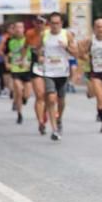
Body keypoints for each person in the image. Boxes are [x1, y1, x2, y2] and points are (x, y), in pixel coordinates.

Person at [38, 12, 78, 141]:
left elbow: (76, 53)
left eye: (57, 23)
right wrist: (40, 56)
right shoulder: (44, 34)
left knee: (61, 100)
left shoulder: (67, 34)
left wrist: (66, 47)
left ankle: (59, 118)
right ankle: (54, 129)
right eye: (52, 23)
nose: (55, 26)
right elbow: (38, 49)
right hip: (49, 72)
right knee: (50, 98)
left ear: (61, 23)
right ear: (49, 23)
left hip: (63, 72)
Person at [80, 17, 102, 133]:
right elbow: (81, 52)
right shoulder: (90, 40)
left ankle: (101, 112)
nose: (101, 29)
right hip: (96, 73)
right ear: (94, 28)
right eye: (98, 27)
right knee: (100, 99)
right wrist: (84, 57)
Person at [1, 21, 33, 124]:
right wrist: (6, 63)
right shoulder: (9, 41)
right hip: (15, 69)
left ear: (24, 29)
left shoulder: (28, 39)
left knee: (27, 94)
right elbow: (5, 53)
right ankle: (19, 114)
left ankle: (24, 98)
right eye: (17, 28)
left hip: (27, 69)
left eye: (21, 27)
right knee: (18, 91)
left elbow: (35, 52)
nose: (19, 29)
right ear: (13, 30)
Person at [27, 17, 48, 134]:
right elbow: (26, 47)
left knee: (48, 96)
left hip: (52, 68)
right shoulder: (30, 34)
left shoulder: (51, 33)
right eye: (37, 22)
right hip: (36, 67)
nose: (39, 25)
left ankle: (45, 113)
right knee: (39, 95)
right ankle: (40, 122)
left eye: (42, 22)